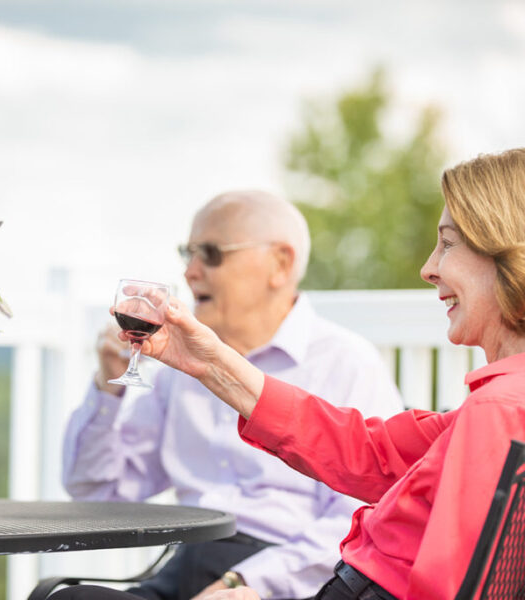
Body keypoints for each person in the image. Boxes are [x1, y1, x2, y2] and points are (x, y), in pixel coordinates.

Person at [106, 148, 525, 600]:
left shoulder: (498, 411)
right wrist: (211, 364)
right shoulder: (497, 405)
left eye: (447, 243)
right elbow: (367, 451)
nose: (428, 268)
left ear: (503, 252)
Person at [55, 190, 403, 600]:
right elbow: (97, 489)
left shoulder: (347, 363)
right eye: (188, 253)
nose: (189, 272)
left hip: (284, 586)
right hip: (185, 570)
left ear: (280, 264)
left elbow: (366, 520)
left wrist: (247, 583)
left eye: (211, 253)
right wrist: (107, 385)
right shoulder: (179, 368)